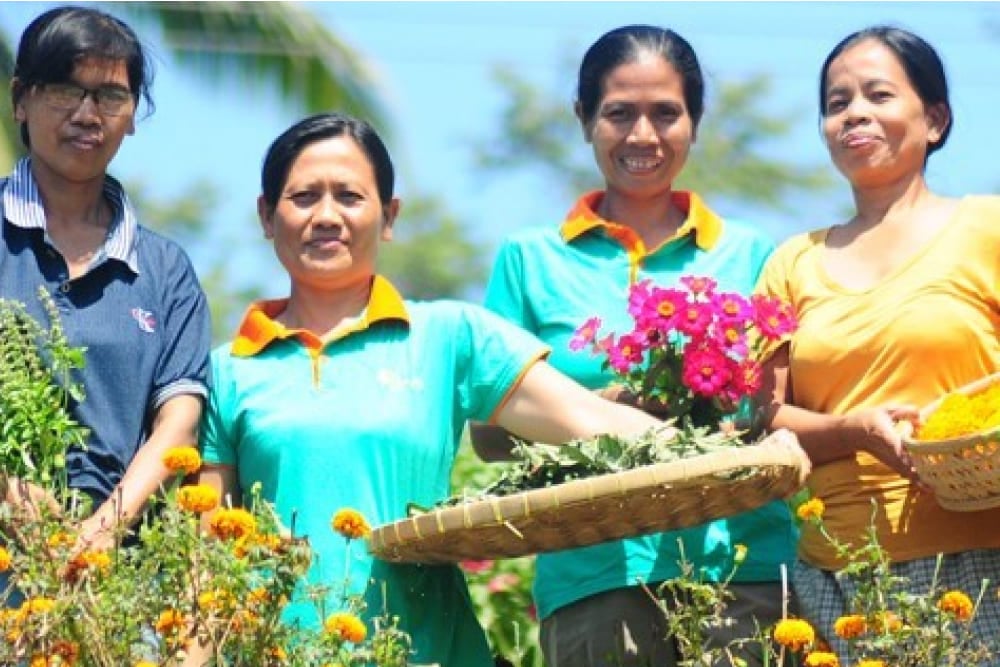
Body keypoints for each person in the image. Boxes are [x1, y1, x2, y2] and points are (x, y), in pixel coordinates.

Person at [195, 112, 666, 667]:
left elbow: (591, 421)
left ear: (389, 216)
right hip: (272, 653)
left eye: (349, 196)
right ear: (266, 216)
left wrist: (733, 450)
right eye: (303, 197)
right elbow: (208, 558)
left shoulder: (450, 337)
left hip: (429, 652)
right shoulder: (226, 372)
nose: (326, 216)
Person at [470, 24, 797, 667]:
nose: (643, 135)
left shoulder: (755, 255)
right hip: (594, 578)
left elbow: (773, 409)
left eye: (666, 114)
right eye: (619, 113)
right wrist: (604, 410)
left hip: (742, 570)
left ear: (695, 122)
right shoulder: (530, 259)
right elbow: (488, 432)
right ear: (585, 120)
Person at [755, 26, 1000, 661]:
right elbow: (763, 421)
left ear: (936, 119)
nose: (854, 113)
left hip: (983, 559)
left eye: (878, 94)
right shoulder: (793, 262)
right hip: (835, 578)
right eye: (837, 103)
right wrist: (853, 430)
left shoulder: (987, 227)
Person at [0, 7, 210, 552]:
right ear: (21, 98)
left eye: (111, 96)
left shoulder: (165, 270)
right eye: (66, 91)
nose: (88, 113)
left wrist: (105, 529)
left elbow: (179, 421)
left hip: (113, 591)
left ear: (134, 114)